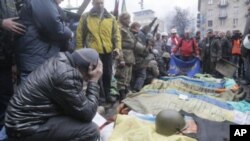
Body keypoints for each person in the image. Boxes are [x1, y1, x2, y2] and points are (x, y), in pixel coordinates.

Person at [5, 48, 102, 141]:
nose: (86, 79)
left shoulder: (61, 60)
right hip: (24, 128)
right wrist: (94, 81)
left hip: (20, 122)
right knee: (90, 130)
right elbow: (87, 114)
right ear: (89, 68)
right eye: (88, 76)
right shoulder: (66, 74)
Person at [16, 0, 73, 83]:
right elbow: (56, 29)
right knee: (32, 91)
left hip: (38, 55)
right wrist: (70, 33)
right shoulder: (42, 1)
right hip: (36, 57)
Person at [76, 0, 121, 103]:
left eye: (101, 3)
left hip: (108, 51)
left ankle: (108, 94)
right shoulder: (86, 16)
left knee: (108, 73)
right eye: (97, 3)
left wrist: (117, 47)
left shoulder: (111, 17)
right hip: (93, 51)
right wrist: (79, 51)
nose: (100, 5)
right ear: (93, 4)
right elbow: (80, 34)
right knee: (96, 74)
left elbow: (116, 34)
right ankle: (100, 97)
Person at [0, 0, 25, 134]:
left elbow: (13, 35)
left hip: (5, 60)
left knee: (7, 98)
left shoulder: (10, 2)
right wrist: (2, 23)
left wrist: (14, 63)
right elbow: (6, 24)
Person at [115, 13, 134, 101]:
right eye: (128, 19)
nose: (129, 21)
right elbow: (118, 45)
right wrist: (121, 58)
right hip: (124, 55)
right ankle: (121, 97)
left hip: (129, 55)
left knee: (127, 78)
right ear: (123, 19)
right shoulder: (120, 29)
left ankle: (125, 94)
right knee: (122, 77)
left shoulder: (127, 29)